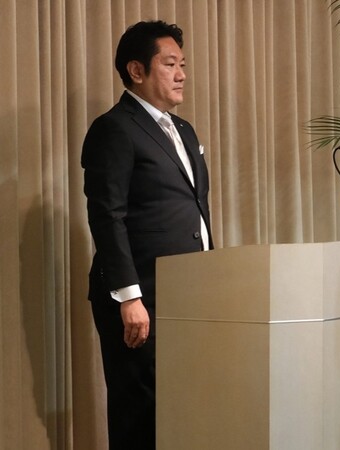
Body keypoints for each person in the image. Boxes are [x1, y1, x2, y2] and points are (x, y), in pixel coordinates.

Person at [81, 20, 213, 449]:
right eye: (170, 64)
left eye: (183, 64)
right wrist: (129, 297)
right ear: (136, 71)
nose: (181, 74)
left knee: (183, 410)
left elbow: (193, 211)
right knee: (140, 415)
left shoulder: (184, 130)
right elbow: (107, 216)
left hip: (187, 293)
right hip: (141, 298)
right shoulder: (114, 128)